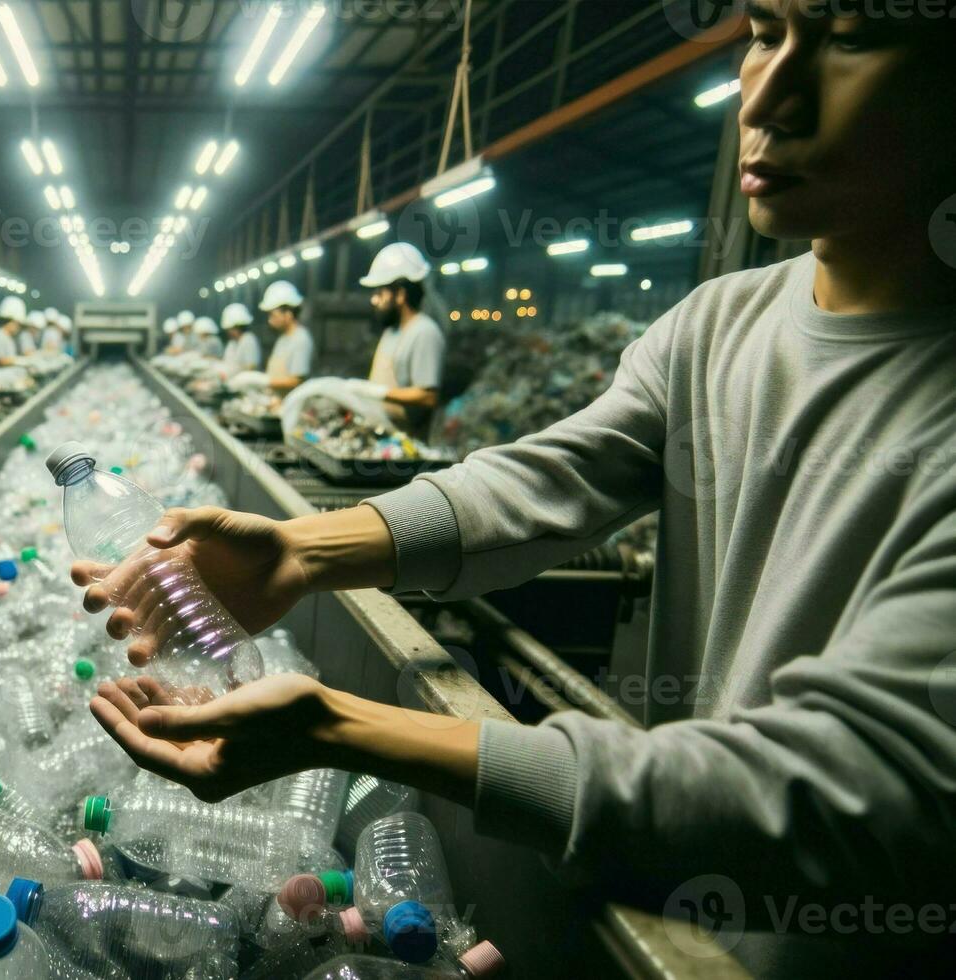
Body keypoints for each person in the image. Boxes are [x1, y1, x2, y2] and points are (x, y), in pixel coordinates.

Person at [80, 4, 956, 975]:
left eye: (851, 33)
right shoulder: (721, 320)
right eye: (762, 28)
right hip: (689, 905)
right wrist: (302, 550)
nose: (769, 93)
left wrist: (337, 729)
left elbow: (847, 790)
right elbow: (558, 471)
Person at [356, 242, 445, 441]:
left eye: (380, 293)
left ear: (401, 294)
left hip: (406, 446)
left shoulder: (424, 332)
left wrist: (379, 392)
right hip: (381, 438)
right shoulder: (392, 331)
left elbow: (428, 397)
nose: (374, 300)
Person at [258, 281, 313, 391]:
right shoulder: (283, 338)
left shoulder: (301, 339)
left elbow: (296, 381)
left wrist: (263, 381)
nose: (270, 320)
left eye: (272, 315)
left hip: (292, 405)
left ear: (288, 314)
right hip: (277, 401)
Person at [220, 302, 261, 373]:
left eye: (231, 328)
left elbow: (251, 367)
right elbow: (227, 362)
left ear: (238, 327)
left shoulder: (249, 340)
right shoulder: (232, 342)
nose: (228, 331)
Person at [0, 296, 27, 369]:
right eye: (17, 323)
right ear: (10, 321)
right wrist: (20, 361)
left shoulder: (9, 337)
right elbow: (0, 360)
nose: (18, 327)